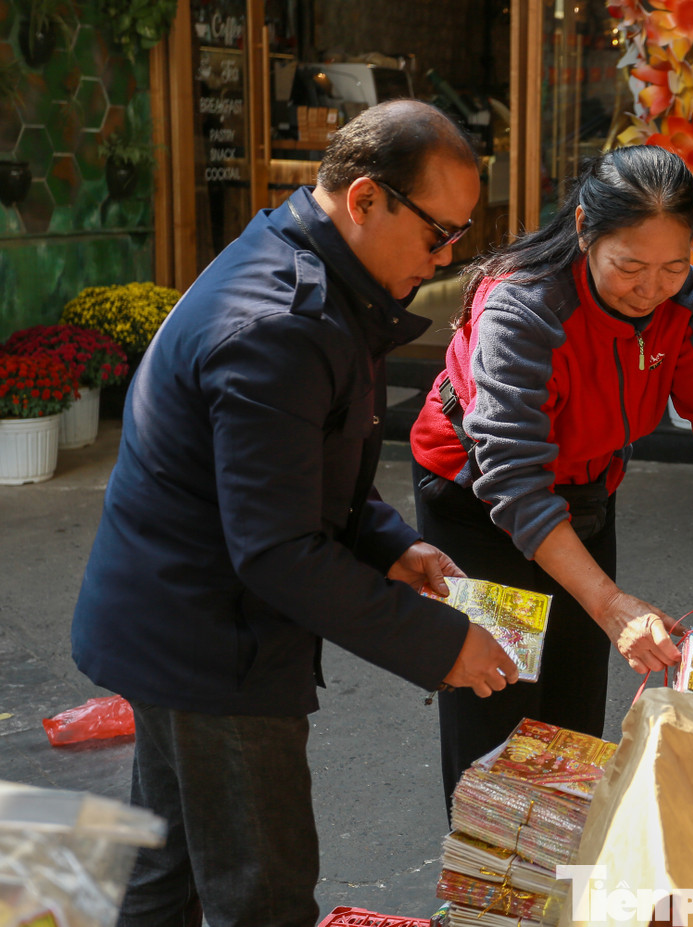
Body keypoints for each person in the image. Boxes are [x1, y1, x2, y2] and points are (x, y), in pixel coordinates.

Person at [69, 100, 521, 927]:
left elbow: (298, 466)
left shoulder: (296, 259)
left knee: (167, 874)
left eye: (460, 235)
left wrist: (391, 545)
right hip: (210, 643)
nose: (446, 255)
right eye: (438, 233)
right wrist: (443, 642)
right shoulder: (281, 323)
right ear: (366, 201)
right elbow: (277, 550)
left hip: (175, 619)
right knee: (261, 894)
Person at [410, 145, 693, 799]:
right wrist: (610, 603)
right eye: (630, 266)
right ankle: (484, 894)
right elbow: (513, 477)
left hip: (583, 490)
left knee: (573, 710)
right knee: (495, 703)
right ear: (585, 228)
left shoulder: (683, 302)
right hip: (474, 499)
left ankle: (558, 881)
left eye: (672, 266)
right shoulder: (525, 305)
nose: (650, 289)